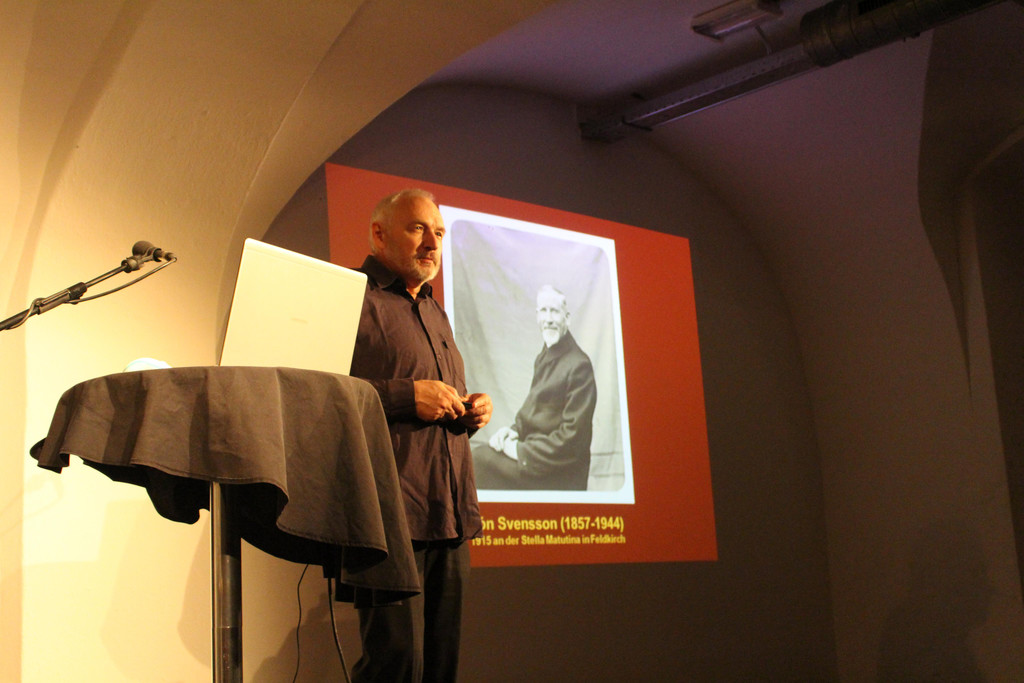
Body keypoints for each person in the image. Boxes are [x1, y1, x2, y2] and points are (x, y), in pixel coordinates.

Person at [348, 188, 492, 682]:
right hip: (388, 513)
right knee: (395, 665)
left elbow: (438, 397)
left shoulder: (434, 310)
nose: (432, 242)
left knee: (440, 667)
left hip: (448, 512)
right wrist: (407, 397)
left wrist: (468, 408)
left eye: (439, 232)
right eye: (417, 229)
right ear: (379, 234)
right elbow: (322, 395)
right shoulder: (351, 299)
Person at [473, 285, 596, 491]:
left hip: (559, 471)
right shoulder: (544, 357)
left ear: (567, 318)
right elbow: (533, 411)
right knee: (478, 457)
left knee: (478, 462)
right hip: (536, 455)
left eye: (554, 311)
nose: (549, 319)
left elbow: (572, 440)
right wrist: (512, 432)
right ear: (538, 316)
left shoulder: (579, 365)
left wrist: (519, 451)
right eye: (544, 311)